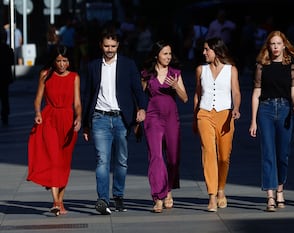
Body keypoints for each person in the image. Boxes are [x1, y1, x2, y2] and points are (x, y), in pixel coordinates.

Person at [82, 27, 146, 215]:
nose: (109, 49)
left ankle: (118, 196)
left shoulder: (128, 64)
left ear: (118, 45)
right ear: (101, 46)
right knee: (102, 160)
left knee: (121, 161)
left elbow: (137, 90)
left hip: (121, 119)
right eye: (106, 46)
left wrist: (142, 108)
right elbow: (87, 95)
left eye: (113, 46)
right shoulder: (93, 66)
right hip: (100, 117)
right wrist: (86, 124)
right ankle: (103, 199)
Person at [248, 31, 294, 212]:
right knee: (268, 153)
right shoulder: (262, 66)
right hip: (266, 109)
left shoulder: (292, 66)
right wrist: (253, 121)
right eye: (273, 44)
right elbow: (256, 93)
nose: (276, 47)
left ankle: (280, 188)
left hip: (285, 108)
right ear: (268, 46)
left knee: (283, 153)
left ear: (285, 45)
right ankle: (270, 194)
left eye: (279, 43)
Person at [27, 45, 82, 216]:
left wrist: (78, 118)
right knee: (54, 160)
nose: (61, 64)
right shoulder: (45, 74)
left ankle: (60, 201)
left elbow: (77, 103)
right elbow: (37, 99)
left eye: (65, 61)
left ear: (69, 61)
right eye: (58, 61)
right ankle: (56, 201)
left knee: (64, 163)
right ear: (53, 60)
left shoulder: (74, 77)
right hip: (49, 119)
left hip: (67, 121)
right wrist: (37, 113)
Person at [193, 37, 241, 212]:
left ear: (216, 51)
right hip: (204, 113)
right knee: (208, 153)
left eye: (207, 49)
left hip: (225, 114)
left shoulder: (231, 70)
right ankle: (212, 195)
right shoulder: (201, 70)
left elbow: (236, 92)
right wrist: (194, 117)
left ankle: (221, 189)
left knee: (223, 156)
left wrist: (236, 108)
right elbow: (197, 95)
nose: (204, 53)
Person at [140, 40, 188, 213]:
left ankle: (167, 189)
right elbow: (140, 95)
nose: (168, 57)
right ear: (156, 55)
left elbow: (185, 98)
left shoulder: (175, 73)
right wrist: (139, 111)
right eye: (165, 53)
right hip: (153, 117)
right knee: (156, 156)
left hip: (171, 118)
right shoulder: (147, 74)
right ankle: (158, 197)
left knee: (173, 158)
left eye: (170, 53)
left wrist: (176, 87)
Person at [0, 28, 14, 126]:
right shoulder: (9, 50)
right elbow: (12, 62)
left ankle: (4, 115)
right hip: (5, 77)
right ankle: (5, 115)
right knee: (5, 97)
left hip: (3, 76)